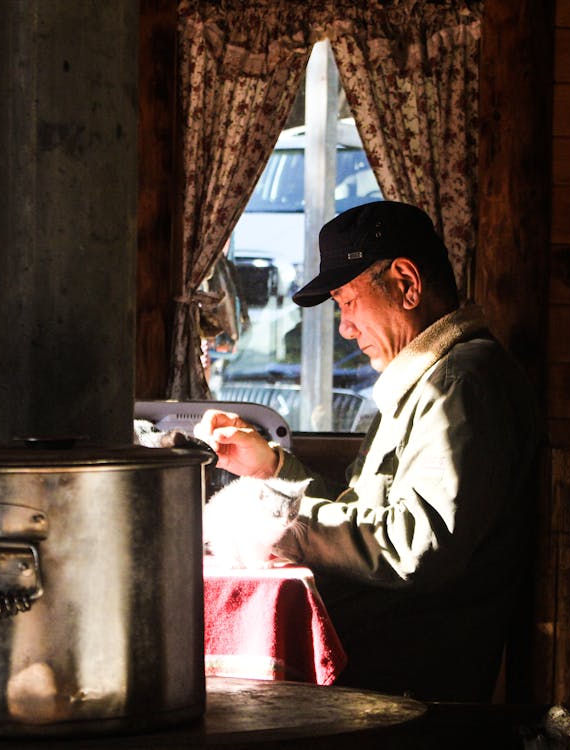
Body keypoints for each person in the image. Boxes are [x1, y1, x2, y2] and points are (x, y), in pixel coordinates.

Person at [195, 200, 542, 702]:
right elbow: (371, 517)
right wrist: (270, 467)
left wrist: (277, 522)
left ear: (406, 282)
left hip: (409, 674)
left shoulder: (459, 384)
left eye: (348, 302)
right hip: (387, 651)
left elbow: (413, 547)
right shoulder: (428, 378)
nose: (344, 328)